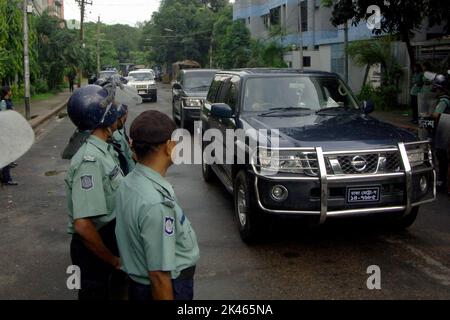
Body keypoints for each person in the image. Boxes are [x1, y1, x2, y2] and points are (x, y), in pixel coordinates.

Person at [115, 110, 200, 300]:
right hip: (166, 287)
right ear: (169, 147)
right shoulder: (156, 203)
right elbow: (159, 276)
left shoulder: (129, 182)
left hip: (139, 285)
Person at [65, 84, 125, 300]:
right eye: (111, 108)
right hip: (95, 249)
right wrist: (112, 260)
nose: (116, 110)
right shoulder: (89, 161)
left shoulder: (105, 149)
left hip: (106, 241)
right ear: (103, 119)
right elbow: (83, 225)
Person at [430, 74, 450, 193]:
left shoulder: (444, 100)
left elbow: (436, 115)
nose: (435, 91)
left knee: (442, 158)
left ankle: (443, 182)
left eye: (436, 89)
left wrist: (428, 116)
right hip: (445, 131)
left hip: (444, 132)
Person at [109, 104, 135, 175]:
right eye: (125, 116)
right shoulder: (117, 137)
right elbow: (123, 160)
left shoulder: (121, 129)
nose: (126, 117)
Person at [0, 86, 18, 186]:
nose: (11, 91)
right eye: (10, 90)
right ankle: (7, 178)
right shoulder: (3, 102)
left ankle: (4, 176)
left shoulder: (8, 100)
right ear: (7, 92)